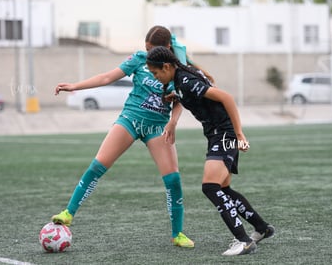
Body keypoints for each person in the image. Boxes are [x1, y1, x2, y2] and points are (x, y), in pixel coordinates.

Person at [52, 26, 201, 248]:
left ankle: (177, 234)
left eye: (153, 50)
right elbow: (107, 77)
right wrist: (75, 86)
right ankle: (68, 213)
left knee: (173, 180)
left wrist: (173, 122)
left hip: (157, 127)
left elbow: (180, 99)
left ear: (167, 48)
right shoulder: (139, 59)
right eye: (147, 49)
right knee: (98, 165)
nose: (148, 53)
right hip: (130, 120)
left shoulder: (178, 68)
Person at [146, 46, 275, 256]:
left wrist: (239, 134)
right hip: (217, 134)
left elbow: (227, 98)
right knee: (223, 188)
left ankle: (243, 241)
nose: (155, 77)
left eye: (155, 72)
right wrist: (174, 99)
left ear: (167, 66)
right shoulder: (179, 80)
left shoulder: (186, 80)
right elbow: (183, 94)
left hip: (224, 134)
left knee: (210, 186)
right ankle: (261, 228)